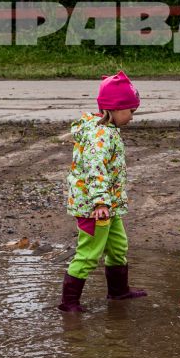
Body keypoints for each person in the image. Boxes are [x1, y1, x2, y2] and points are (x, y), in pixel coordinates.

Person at [59, 71, 148, 312]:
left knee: (118, 246)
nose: (132, 117)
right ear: (116, 109)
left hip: (110, 205)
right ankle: (69, 303)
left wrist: (108, 203)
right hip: (95, 208)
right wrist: (100, 203)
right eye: (131, 111)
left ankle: (118, 292)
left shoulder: (108, 130)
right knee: (89, 253)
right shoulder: (100, 136)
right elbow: (95, 170)